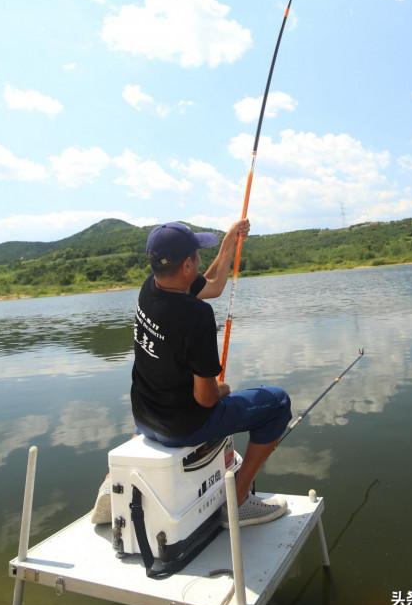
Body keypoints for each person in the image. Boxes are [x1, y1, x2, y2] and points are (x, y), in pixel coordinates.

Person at [91, 220, 291, 528]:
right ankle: (238, 503)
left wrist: (229, 244)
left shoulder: (150, 288)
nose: (198, 261)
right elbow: (206, 398)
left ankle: (109, 485)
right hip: (182, 427)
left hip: (144, 418)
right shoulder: (196, 316)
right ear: (187, 264)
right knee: (277, 402)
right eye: (196, 255)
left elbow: (212, 285)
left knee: (158, 392)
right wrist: (222, 390)